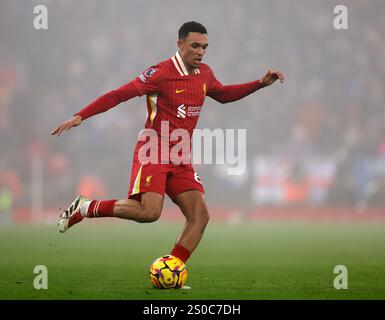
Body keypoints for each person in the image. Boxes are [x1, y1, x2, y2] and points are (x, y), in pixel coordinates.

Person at [51, 21, 284, 266]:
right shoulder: (161, 73)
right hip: (154, 150)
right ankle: (86, 208)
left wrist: (259, 84)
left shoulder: (205, 74)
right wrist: (81, 116)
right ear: (180, 44)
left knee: (200, 216)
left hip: (181, 155)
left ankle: (170, 267)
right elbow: (119, 94)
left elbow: (224, 95)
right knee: (150, 212)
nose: (200, 52)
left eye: (205, 47)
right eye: (195, 46)